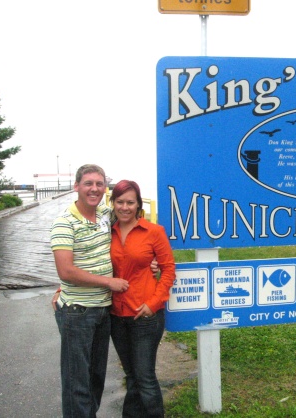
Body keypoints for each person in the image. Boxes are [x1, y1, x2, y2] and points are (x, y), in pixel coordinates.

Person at [51, 164, 129, 418]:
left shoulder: (107, 214)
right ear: (77, 187)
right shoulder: (65, 223)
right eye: (88, 183)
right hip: (77, 313)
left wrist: (150, 259)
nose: (94, 189)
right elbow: (67, 271)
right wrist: (109, 282)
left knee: (96, 378)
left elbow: (134, 221)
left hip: (102, 311)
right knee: (77, 383)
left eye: (99, 184)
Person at [109, 179, 176, 418]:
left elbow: (168, 270)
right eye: (120, 201)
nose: (125, 207)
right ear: (113, 203)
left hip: (145, 315)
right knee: (131, 376)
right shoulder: (109, 232)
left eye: (130, 202)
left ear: (138, 205)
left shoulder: (153, 232)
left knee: (145, 377)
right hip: (117, 315)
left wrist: (154, 304)